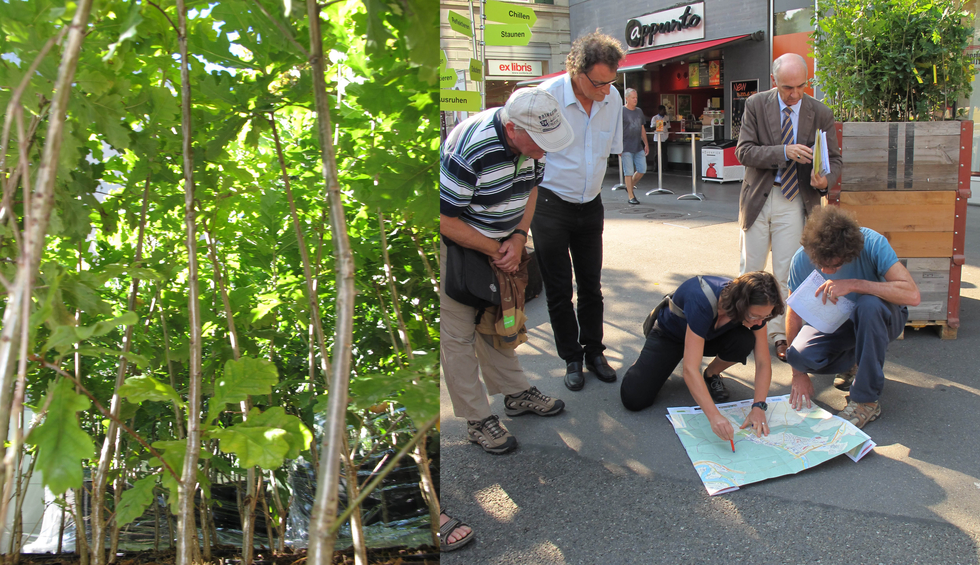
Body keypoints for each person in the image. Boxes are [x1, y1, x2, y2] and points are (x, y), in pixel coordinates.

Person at [440, 87, 573, 454]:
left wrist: (517, 237)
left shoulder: (533, 144)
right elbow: (444, 220)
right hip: (460, 246)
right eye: (539, 141)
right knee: (459, 335)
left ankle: (515, 394)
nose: (545, 149)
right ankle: (476, 417)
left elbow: (531, 189)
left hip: (501, 243)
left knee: (500, 322)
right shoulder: (470, 148)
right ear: (513, 128)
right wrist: (495, 249)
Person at [735, 53, 842, 364]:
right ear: (774, 82)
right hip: (758, 197)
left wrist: (825, 180)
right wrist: (783, 151)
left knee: (786, 273)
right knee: (749, 270)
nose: (794, 94)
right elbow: (744, 151)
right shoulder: (756, 104)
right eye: (786, 88)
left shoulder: (820, 112)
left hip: (796, 200)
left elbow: (834, 160)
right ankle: (742, 332)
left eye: (800, 87)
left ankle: (779, 335)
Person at [534, 31, 625, 392]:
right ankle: (571, 357)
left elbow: (610, 149)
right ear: (576, 70)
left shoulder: (613, 97)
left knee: (592, 287)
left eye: (610, 83)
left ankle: (594, 352)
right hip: (550, 205)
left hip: (591, 205)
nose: (605, 91)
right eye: (599, 83)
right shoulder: (546, 99)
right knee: (558, 290)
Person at [785, 206, 920, 428]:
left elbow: (912, 295)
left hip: (881, 318)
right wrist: (798, 374)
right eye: (821, 265)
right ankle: (856, 362)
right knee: (799, 356)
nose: (827, 271)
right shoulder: (801, 259)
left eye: (835, 265)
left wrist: (855, 285)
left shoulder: (873, 243)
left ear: (850, 252)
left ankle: (866, 400)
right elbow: (794, 313)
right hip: (837, 321)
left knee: (868, 305)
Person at [620, 272, 784, 441]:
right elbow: (690, 369)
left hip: (708, 336)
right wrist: (715, 417)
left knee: (744, 340)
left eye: (765, 317)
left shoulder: (755, 307)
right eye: (755, 316)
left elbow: (763, 362)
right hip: (671, 336)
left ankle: (711, 373)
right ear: (740, 305)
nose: (760, 322)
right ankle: (641, 364)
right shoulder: (702, 301)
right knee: (634, 398)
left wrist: (759, 406)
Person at [620, 88, 649, 204]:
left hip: (638, 146)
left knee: (642, 169)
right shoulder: (621, 111)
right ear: (627, 98)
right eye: (633, 97)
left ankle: (629, 187)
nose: (635, 99)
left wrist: (646, 143)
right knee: (629, 171)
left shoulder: (639, 111)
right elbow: (616, 129)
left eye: (636, 97)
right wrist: (618, 145)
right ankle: (631, 196)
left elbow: (642, 128)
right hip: (625, 146)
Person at [648, 104, 669, 173]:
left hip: (665, 137)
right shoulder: (655, 118)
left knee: (664, 153)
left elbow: (669, 127)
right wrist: (660, 125)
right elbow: (652, 128)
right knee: (657, 153)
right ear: (659, 111)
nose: (664, 111)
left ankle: (664, 167)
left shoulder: (666, 117)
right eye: (663, 110)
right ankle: (656, 167)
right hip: (657, 138)